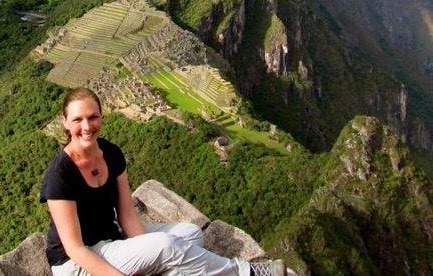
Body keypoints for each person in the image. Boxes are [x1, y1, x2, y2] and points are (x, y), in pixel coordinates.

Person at [40, 87, 289, 276]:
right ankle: (247, 272)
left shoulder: (111, 153)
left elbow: (126, 213)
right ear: (65, 123)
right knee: (168, 246)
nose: (86, 126)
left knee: (190, 235)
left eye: (93, 117)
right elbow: (75, 249)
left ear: (102, 118)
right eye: (77, 120)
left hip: (111, 239)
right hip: (77, 264)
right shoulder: (59, 176)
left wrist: (147, 249)